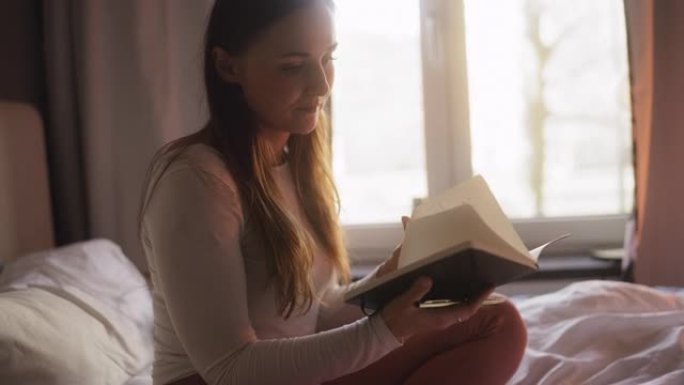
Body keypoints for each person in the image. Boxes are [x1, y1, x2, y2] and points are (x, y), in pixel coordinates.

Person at [138, 0, 527, 384]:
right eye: (293, 67)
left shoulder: (294, 162)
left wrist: (391, 283)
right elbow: (229, 369)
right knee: (497, 324)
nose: (322, 85)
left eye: (328, 59)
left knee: (497, 319)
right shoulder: (195, 179)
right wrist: (386, 329)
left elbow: (312, 317)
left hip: (289, 373)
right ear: (227, 66)